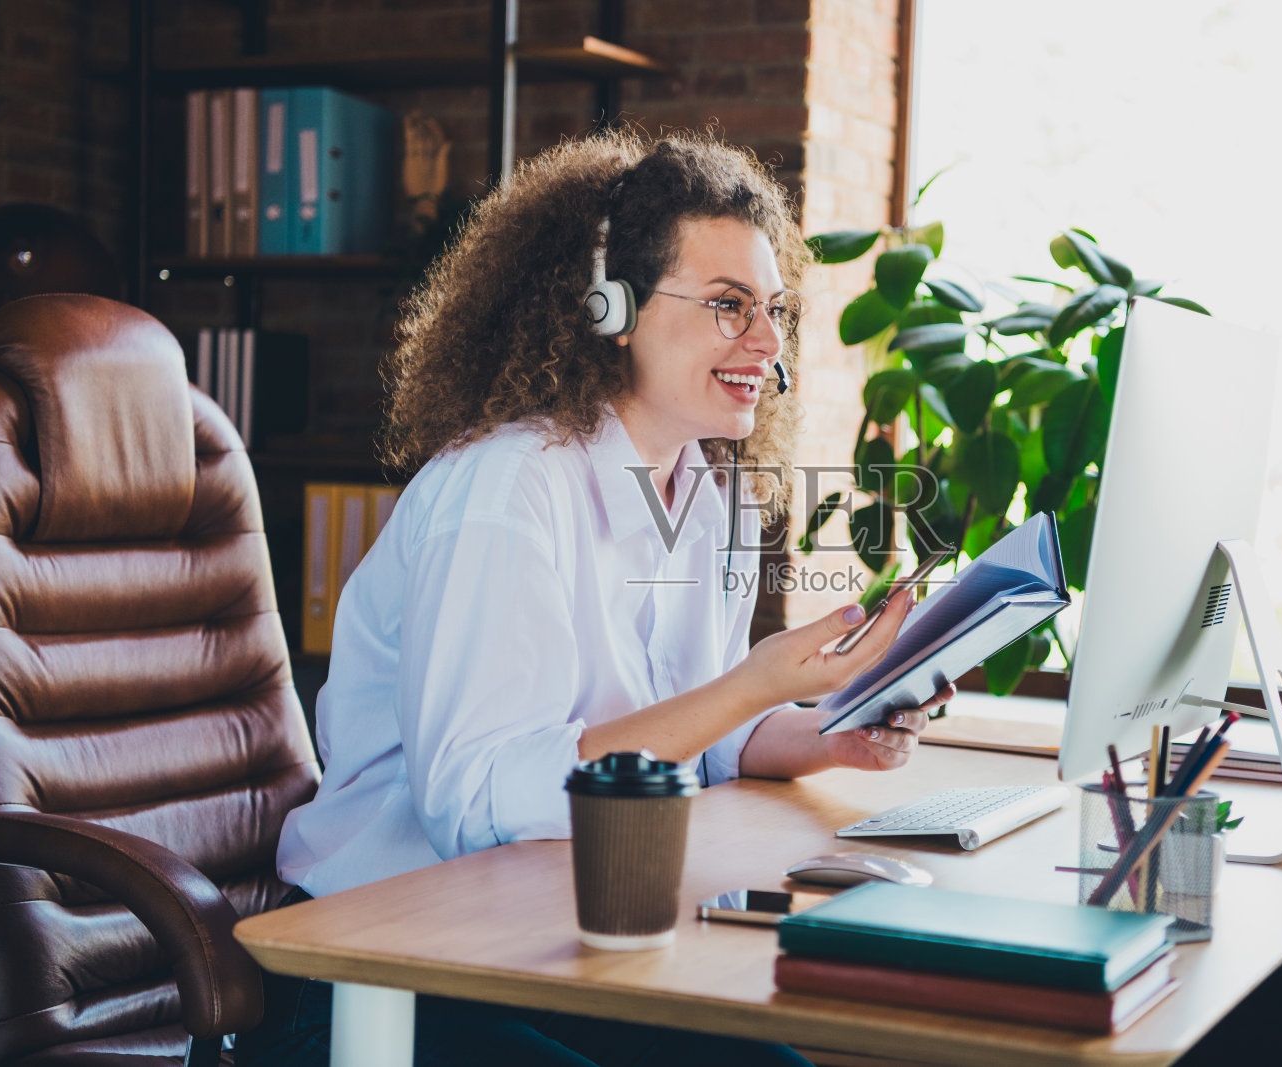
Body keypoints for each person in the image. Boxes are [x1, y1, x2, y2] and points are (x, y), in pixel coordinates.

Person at [238, 130, 953, 1067]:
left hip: (563, 935)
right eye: (729, 306)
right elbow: (478, 799)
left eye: (774, 310)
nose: (770, 343)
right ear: (608, 308)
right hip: (377, 967)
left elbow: (699, 736)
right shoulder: (505, 489)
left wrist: (827, 729)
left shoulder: (713, 492)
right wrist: (746, 686)